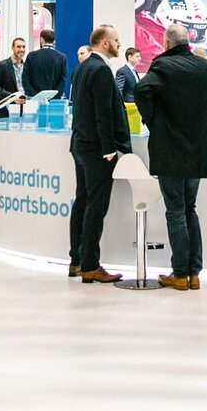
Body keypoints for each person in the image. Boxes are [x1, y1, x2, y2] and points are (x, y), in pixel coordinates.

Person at [135, 23, 207, 290]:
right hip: (198, 149)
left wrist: (154, 122)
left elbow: (141, 91)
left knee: (175, 211)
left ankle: (180, 274)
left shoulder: (162, 67)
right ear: (188, 41)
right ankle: (194, 273)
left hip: (169, 148)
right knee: (190, 209)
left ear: (166, 44)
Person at [68, 24, 132, 283]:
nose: (119, 44)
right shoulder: (101, 69)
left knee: (82, 202)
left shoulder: (83, 67)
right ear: (105, 42)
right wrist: (109, 148)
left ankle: (76, 260)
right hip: (96, 150)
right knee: (95, 206)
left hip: (80, 145)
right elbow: (102, 112)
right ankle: (91, 265)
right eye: (116, 40)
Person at [0, 37, 27, 118]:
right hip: (6, 111)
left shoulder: (27, 66)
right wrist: (12, 97)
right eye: (19, 46)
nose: (22, 49)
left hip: (24, 109)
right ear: (12, 48)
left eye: (23, 47)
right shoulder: (2, 65)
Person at [23, 29, 68, 97]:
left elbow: (25, 80)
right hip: (54, 101)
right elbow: (62, 81)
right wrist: (55, 97)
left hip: (34, 101)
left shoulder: (31, 56)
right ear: (53, 40)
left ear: (41, 39)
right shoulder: (62, 57)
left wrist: (35, 96)